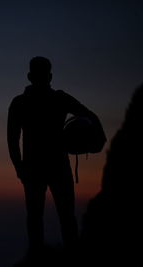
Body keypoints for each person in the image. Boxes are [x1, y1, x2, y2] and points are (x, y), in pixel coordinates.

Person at [7, 57, 101, 256]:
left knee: (35, 218)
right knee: (66, 218)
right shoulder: (60, 98)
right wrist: (98, 143)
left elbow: (12, 140)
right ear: (50, 76)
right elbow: (91, 115)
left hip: (33, 169)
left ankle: (37, 258)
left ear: (29, 76)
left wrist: (19, 168)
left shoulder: (19, 103)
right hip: (58, 167)